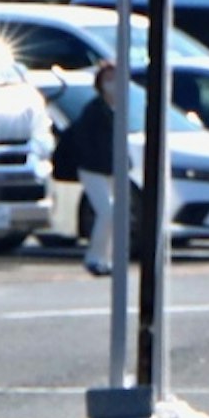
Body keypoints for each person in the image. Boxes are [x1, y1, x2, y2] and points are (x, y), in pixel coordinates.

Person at [55, 59, 131, 276]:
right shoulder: (94, 110)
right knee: (106, 211)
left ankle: (106, 259)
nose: (113, 83)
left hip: (110, 169)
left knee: (115, 214)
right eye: (108, 79)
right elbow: (87, 142)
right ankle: (94, 258)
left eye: (116, 78)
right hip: (92, 169)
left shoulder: (117, 109)